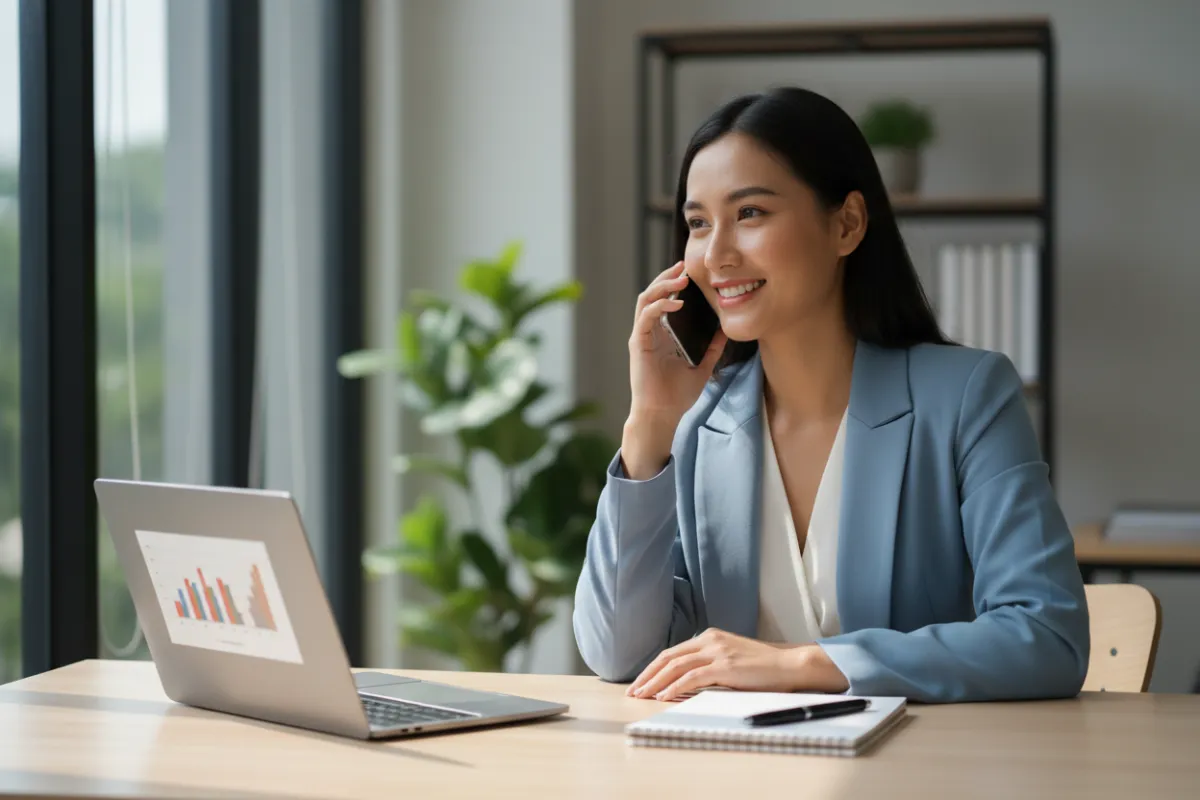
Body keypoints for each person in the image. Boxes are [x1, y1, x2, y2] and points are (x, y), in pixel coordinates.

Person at [572, 87, 1089, 704]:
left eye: (750, 214)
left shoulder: (966, 398)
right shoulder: (698, 428)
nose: (717, 255)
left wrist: (806, 665)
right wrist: (648, 427)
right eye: (698, 223)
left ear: (846, 224)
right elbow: (618, 653)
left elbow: (1046, 635)